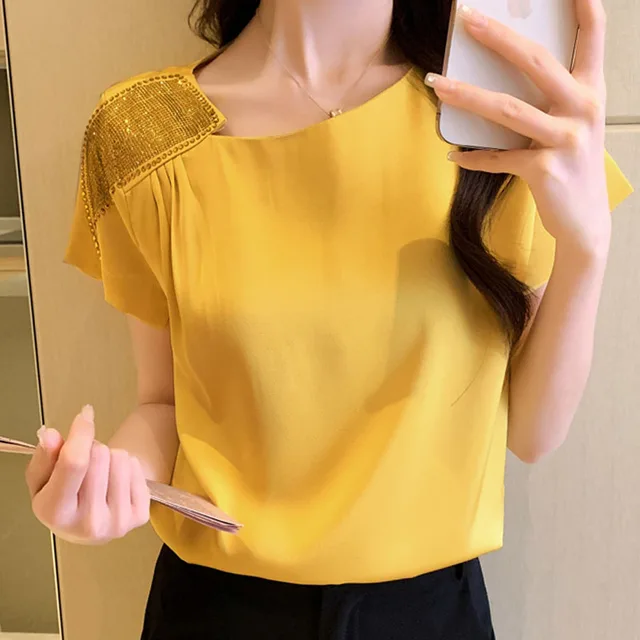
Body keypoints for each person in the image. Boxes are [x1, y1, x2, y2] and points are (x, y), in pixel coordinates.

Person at [25, 0, 633, 638]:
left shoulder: (499, 113)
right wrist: (103, 488)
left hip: (428, 615)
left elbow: (534, 433)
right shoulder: (143, 135)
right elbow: (163, 406)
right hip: (216, 611)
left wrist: (586, 246)